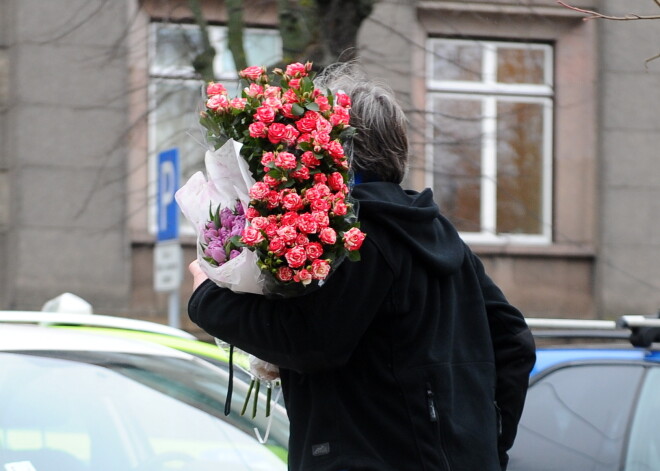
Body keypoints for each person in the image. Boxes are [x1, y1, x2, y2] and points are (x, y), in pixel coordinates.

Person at [187, 64, 536, 471]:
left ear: (332, 144)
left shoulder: (359, 238)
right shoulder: (436, 232)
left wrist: (206, 298)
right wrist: (487, 448)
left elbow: (311, 341)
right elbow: (513, 341)